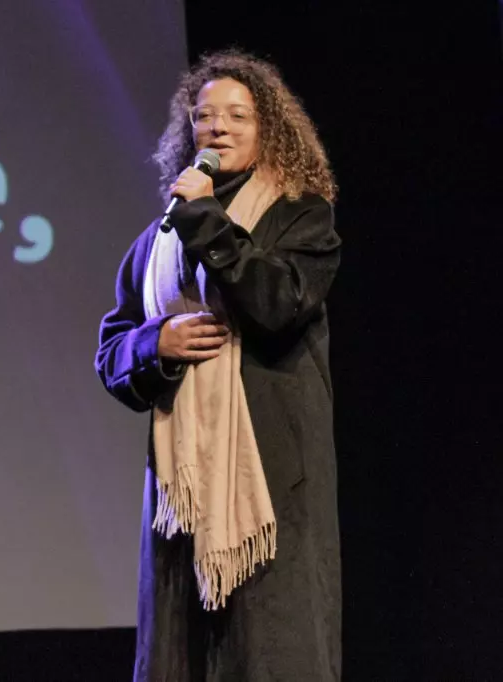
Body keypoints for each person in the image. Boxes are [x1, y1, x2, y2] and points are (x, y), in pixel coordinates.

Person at [95, 50, 342, 681]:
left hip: (271, 488)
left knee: (270, 658)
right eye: (204, 116)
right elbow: (112, 348)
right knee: (181, 661)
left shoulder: (301, 216)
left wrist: (206, 216)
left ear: (269, 131)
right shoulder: (156, 242)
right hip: (183, 495)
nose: (218, 127)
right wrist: (157, 344)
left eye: (238, 115)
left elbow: (275, 303)